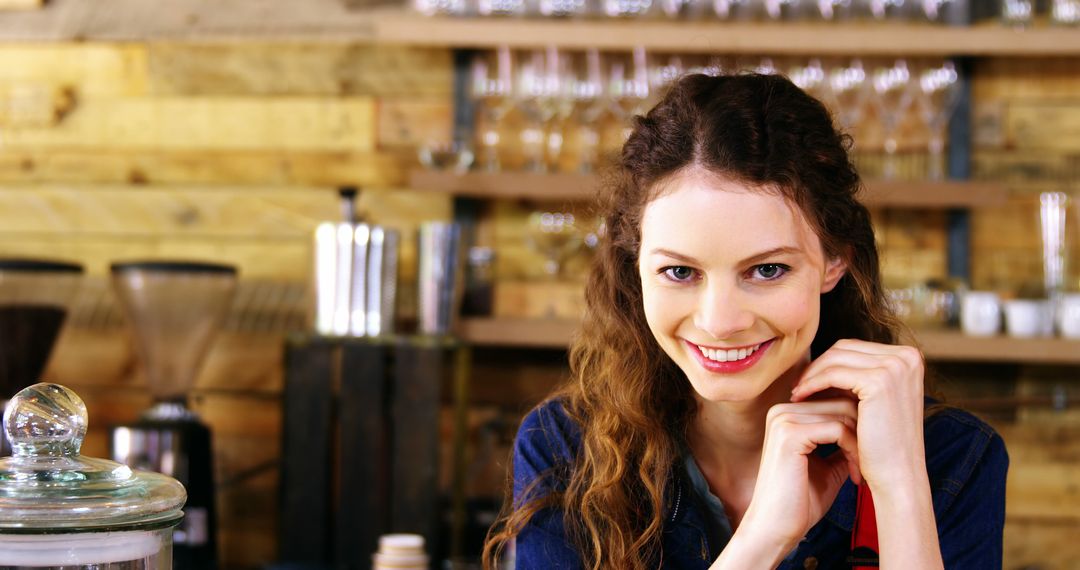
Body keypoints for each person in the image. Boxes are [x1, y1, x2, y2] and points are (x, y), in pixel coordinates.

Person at [482, 72, 1008, 570]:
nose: (720, 322)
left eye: (767, 269)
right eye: (679, 271)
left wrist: (897, 485)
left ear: (834, 261)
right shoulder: (565, 447)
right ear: (635, 266)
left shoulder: (953, 456)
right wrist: (761, 540)